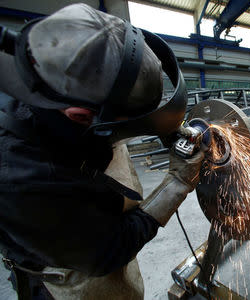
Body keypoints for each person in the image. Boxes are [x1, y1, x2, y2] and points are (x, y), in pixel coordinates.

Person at [0, 3, 204, 299]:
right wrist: (177, 184)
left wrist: (168, 132)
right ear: (81, 116)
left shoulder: (59, 70)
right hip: (64, 276)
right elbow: (108, 251)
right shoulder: (21, 181)